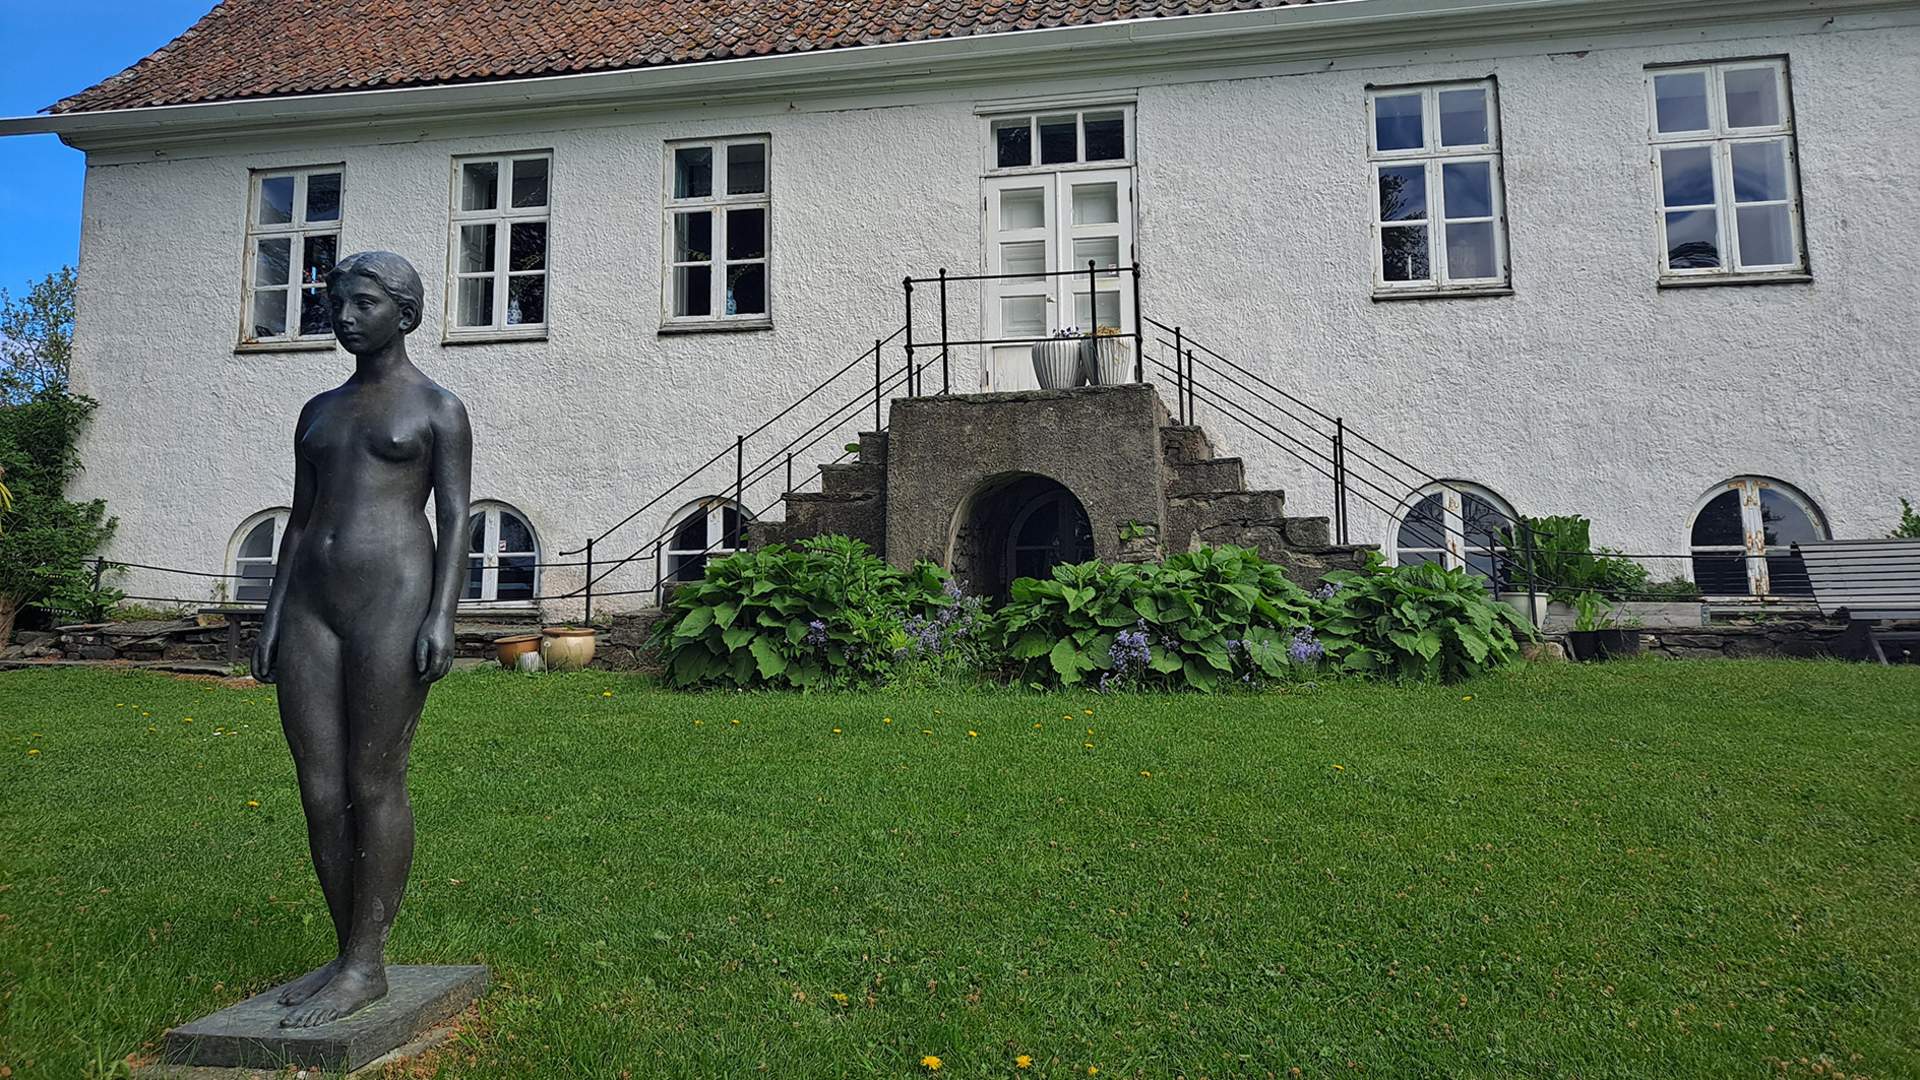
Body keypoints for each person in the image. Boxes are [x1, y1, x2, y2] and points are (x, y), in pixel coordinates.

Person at [250, 251, 472, 1028]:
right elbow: (299, 519)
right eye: (337, 302)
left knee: (374, 780)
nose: (345, 316)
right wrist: (273, 614)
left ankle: (367, 962)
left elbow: (454, 524)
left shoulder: (437, 409)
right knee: (318, 789)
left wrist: (444, 616)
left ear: (404, 314)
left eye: (364, 304)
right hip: (312, 601)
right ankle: (347, 949)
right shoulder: (317, 411)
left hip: (394, 601)